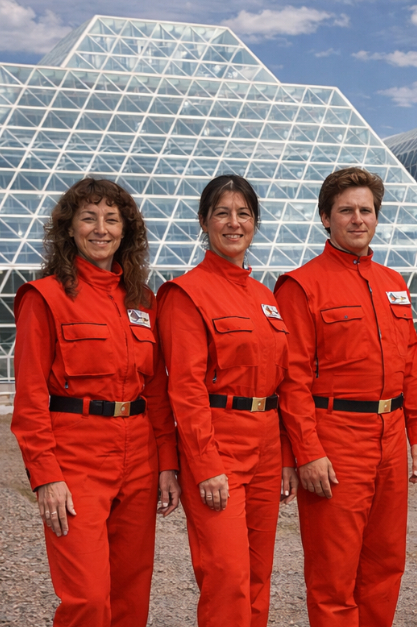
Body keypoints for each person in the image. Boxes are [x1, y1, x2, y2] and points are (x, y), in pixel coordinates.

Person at [12, 178, 180, 627]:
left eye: (112, 219)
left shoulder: (143, 301)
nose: (101, 229)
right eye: (89, 218)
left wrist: (167, 464)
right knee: (86, 598)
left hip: (140, 457)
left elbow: (157, 392)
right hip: (76, 459)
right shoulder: (44, 298)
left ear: (126, 231)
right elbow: (29, 399)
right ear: (69, 229)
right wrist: (46, 477)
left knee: (131, 594)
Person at [275, 166, 417, 627]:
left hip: (391, 436)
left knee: (386, 564)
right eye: (346, 210)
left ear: (377, 217)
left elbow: (411, 364)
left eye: (366, 210)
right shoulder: (300, 285)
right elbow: (292, 380)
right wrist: (308, 451)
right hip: (336, 438)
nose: (358, 219)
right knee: (334, 574)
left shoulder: (393, 283)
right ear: (326, 218)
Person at [156, 175, 297, 627]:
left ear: (255, 222)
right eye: (222, 213)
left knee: (257, 576)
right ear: (203, 222)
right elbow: (185, 389)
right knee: (226, 577)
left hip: (266, 446)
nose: (234, 223)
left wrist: (286, 455)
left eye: (244, 214)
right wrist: (205, 463)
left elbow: (280, 382)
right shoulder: (185, 294)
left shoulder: (264, 296)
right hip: (220, 445)